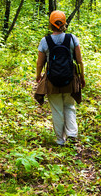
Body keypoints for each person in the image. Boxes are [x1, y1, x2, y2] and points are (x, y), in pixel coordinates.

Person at [36, 10, 85, 146]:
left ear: (50, 24)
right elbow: (79, 61)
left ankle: (60, 140)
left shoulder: (45, 41)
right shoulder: (72, 38)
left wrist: (38, 76)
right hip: (69, 79)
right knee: (69, 106)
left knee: (57, 109)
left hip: (52, 81)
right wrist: (81, 77)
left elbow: (40, 63)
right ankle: (72, 134)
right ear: (64, 23)